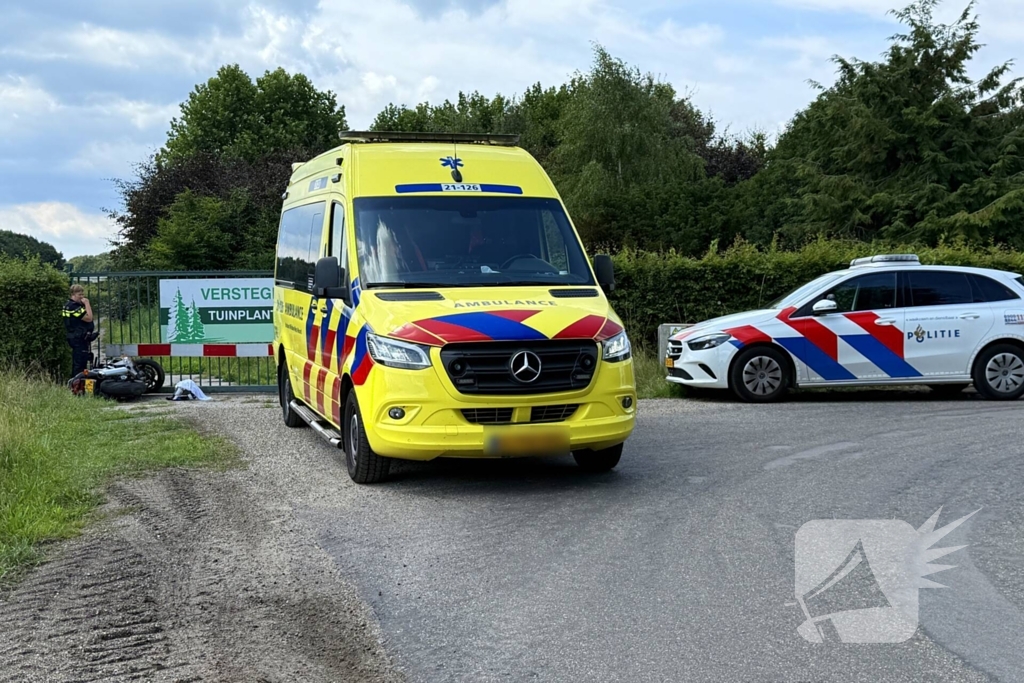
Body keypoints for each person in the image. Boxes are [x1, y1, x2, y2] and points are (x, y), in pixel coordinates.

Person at [64, 285, 97, 377]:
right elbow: (89, 318)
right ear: (73, 294)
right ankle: (77, 385)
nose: (82, 297)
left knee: (80, 362)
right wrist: (87, 303)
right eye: (79, 294)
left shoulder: (68, 305)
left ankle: (79, 384)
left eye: (83, 294)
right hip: (78, 338)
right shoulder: (73, 306)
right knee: (80, 364)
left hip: (76, 337)